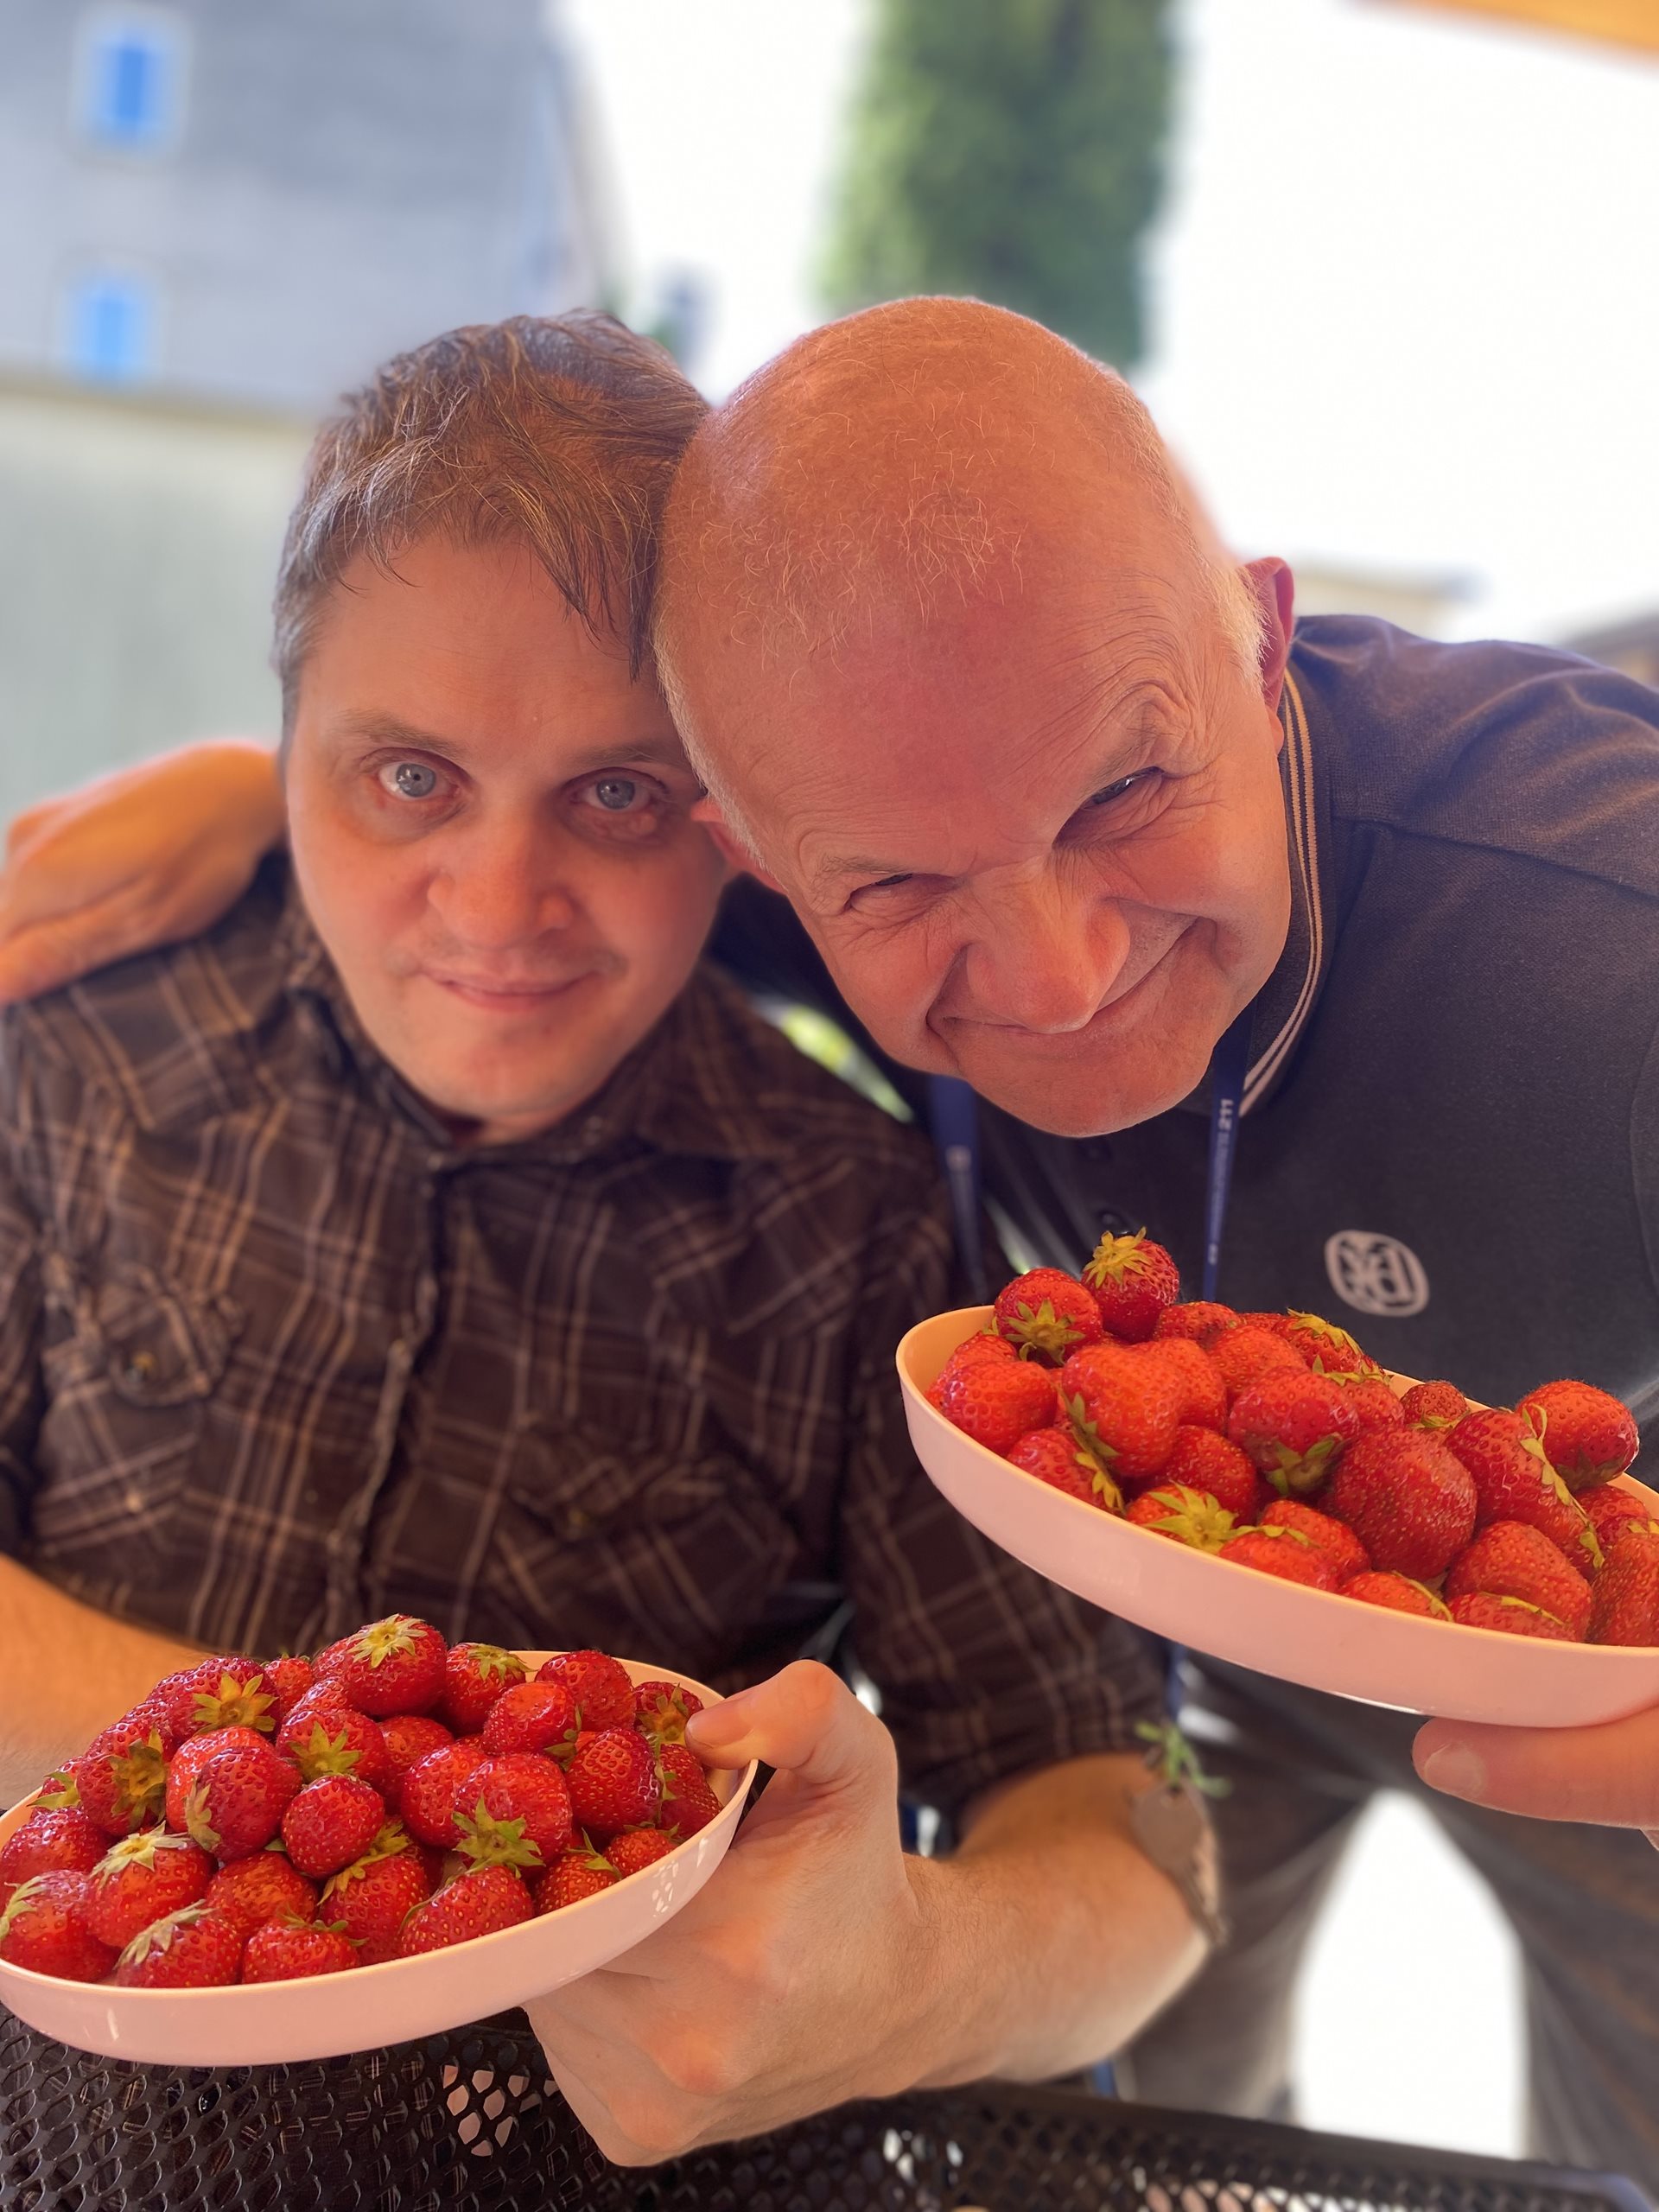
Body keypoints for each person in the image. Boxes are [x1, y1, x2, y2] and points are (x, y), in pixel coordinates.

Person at [5, 296, 1658, 2176]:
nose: (1057, 979)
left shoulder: (1599, 944)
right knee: (1200, 2117)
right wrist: (263, 788)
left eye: (614, 794)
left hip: (1598, 1643)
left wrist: (900, 1979)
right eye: (406, 778)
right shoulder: (83, 1045)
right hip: (1228, 1612)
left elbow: (1103, 1830)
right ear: (773, 853)